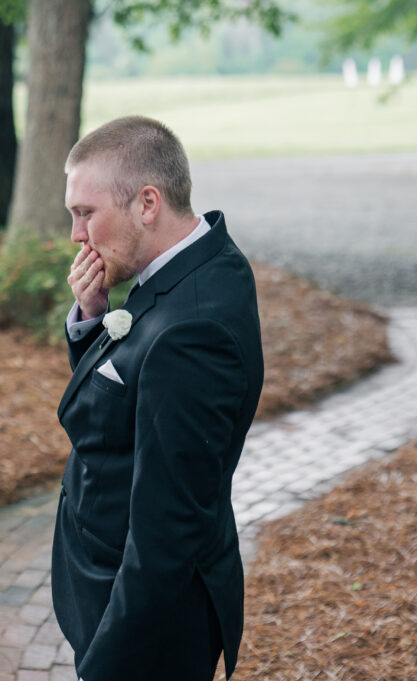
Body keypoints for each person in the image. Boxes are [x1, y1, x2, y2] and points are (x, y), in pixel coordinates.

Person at [51, 116, 265, 681]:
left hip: (143, 626)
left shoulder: (194, 331)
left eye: (85, 213)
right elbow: (129, 404)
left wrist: (108, 665)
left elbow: (164, 536)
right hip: (113, 587)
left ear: (148, 203)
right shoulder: (190, 263)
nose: (77, 235)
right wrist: (94, 318)